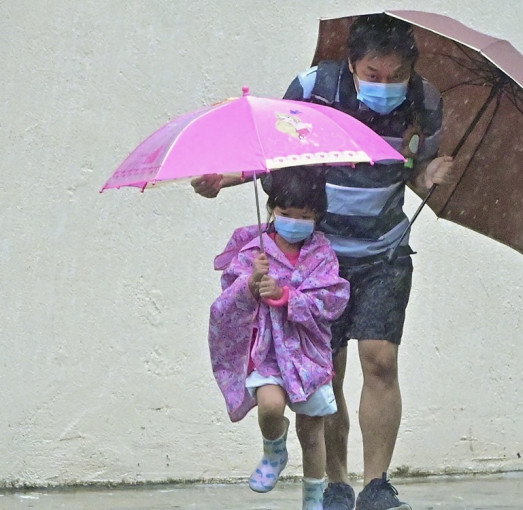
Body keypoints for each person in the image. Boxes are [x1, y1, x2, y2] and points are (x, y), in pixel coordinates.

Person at [193, 13, 454, 510]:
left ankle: (376, 485)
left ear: (410, 68)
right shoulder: (317, 88)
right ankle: (336, 483)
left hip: (385, 251)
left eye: (394, 75)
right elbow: (278, 149)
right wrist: (223, 179)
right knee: (325, 372)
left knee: (380, 360)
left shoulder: (424, 101)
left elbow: (411, 169)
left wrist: (427, 178)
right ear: (352, 64)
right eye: (372, 75)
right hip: (320, 259)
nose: (384, 85)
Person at [207, 167, 350, 510]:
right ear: (272, 208)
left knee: (312, 431)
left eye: (304, 216)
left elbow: (333, 298)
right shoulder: (253, 251)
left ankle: (314, 497)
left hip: (308, 355)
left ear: (317, 216)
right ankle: (274, 448)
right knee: (270, 405)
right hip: (269, 350)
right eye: (286, 214)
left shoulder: (322, 254)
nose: (294, 222)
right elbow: (229, 295)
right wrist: (252, 284)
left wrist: (289, 296)